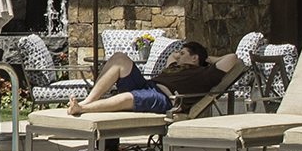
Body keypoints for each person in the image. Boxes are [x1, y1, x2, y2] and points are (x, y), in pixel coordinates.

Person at [83, 38, 221, 115]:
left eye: (183, 53)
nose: (178, 56)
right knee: (119, 58)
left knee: (127, 97)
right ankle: (88, 101)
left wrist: (207, 60)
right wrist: (182, 59)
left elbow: (232, 59)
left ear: (194, 58)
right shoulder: (176, 66)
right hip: (147, 86)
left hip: (164, 98)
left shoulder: (203, 73)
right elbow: (172, 56)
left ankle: (83, 109)